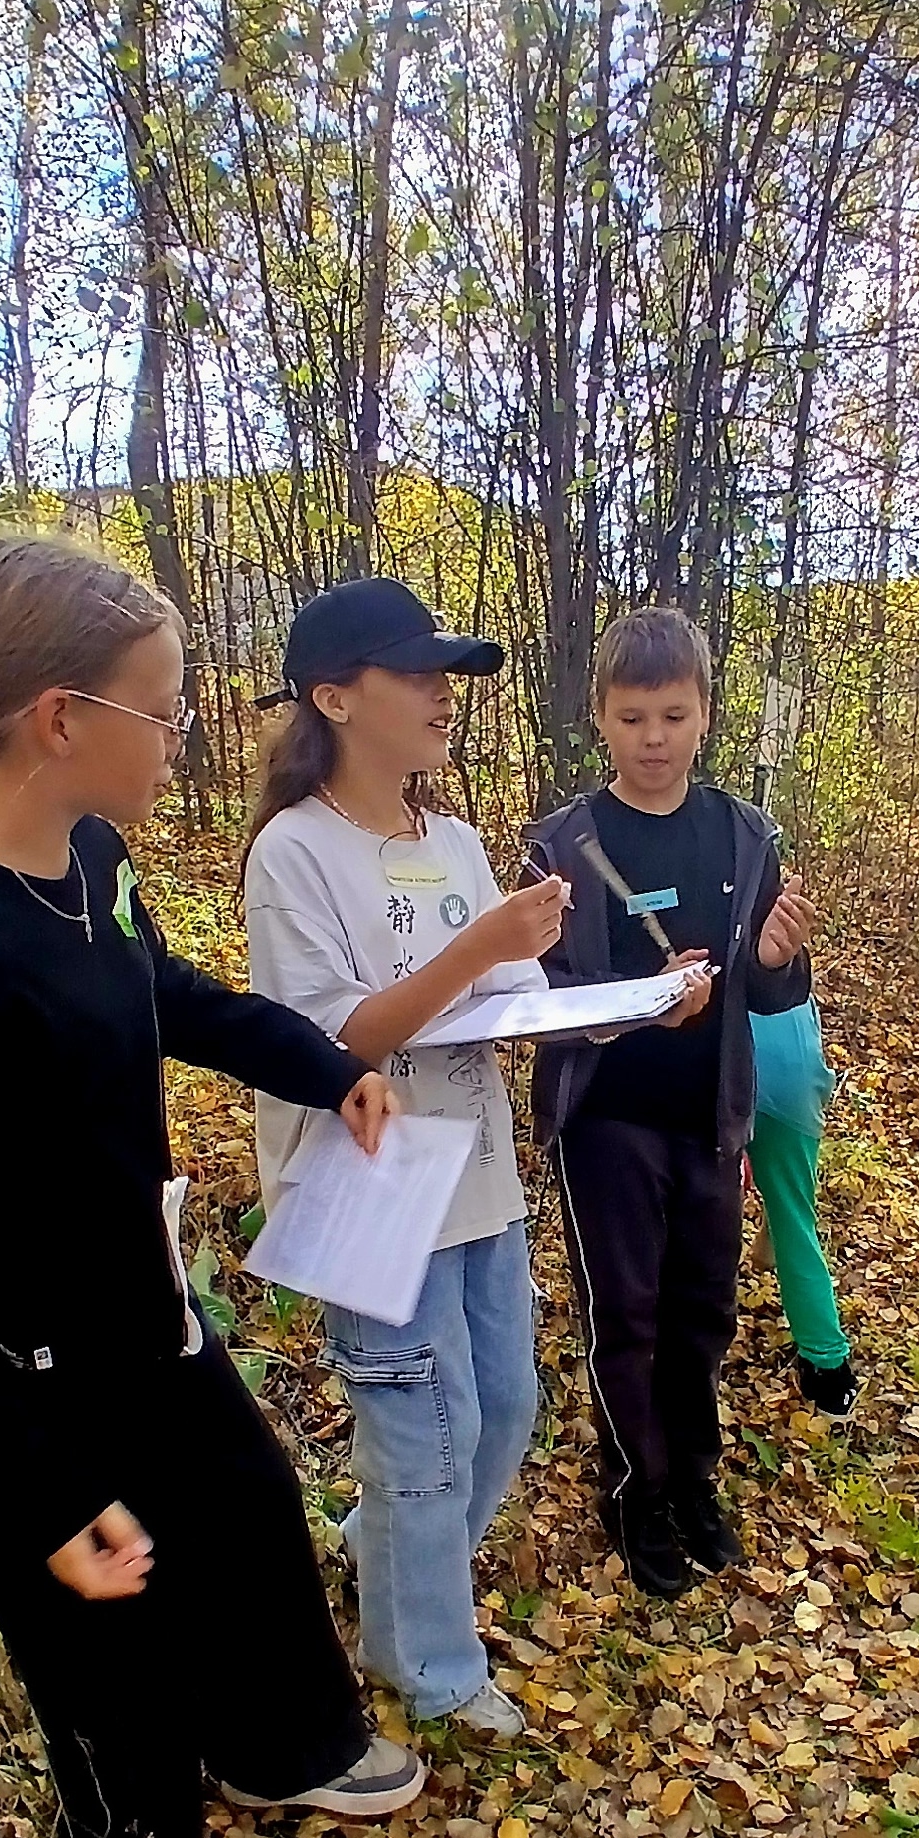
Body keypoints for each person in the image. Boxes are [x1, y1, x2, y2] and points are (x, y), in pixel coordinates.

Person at [0, 535, 424, 1838]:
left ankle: (279, 1747)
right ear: (61, 719)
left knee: (249, 1506)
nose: (180, 738)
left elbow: (166, 993)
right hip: (35, 1386)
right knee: (109, 1665)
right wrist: (42, 1491)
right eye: (161, 713)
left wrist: (321, 1067)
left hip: (146, 1317)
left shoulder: (92, 862)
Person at [245, 577, 566, 1739]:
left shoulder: (457, 841)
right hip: (370, 1182)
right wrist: (479, 945)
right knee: (427, 1435)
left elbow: (517, 1000)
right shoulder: (295, 851)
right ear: (334, 697)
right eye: (417, 673)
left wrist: (633, 1006)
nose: (443, 694)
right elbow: (331, 1040)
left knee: (506, 1408)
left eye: (449, 675)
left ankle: (382, 1555)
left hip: (478, 1174)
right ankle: (426, 1663)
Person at [526, 606, 816, 1599]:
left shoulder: (743, 834)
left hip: (709, 1116)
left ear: (705, 716)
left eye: (674, 716)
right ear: (600, 718)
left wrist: (773, 959)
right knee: (628, 1317)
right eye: (633, 717)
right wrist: (641, 1002)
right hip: (607, 1120)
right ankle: (634, 1496)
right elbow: (535, 995)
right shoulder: (562, 845)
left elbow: (769, 989)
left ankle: (693, 1482)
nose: (654, 738)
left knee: (703, 1313)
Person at [747, 999, 860, 1416]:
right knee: (794, 1216)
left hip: (721, 1073)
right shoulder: (788, 962)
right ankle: (828, 1372)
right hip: (796, 1078)